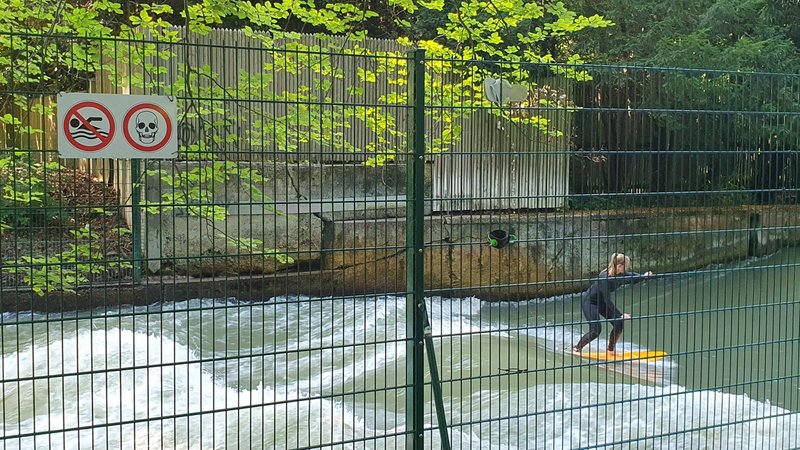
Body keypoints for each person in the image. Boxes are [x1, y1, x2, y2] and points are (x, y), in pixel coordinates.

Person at [572, 253, 653, 354]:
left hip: (601, 302)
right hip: (590, 302)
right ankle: (576, 348)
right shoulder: (604, 277)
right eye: (626, 266)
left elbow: (631, 275)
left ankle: (610, 350)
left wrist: (644, 276)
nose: (627, 268)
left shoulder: (618, 274)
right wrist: (620, 314)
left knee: (619, 323)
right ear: (619, 266)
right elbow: (607, 300)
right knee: (596, 330)